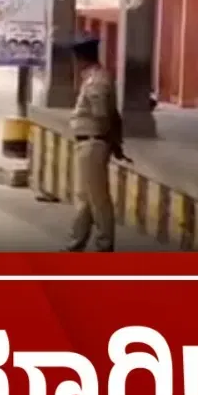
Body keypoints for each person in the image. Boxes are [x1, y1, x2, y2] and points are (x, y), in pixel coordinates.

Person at [64, 36, 125, 252]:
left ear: (81, 59)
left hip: (93, 143)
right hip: (88, 143)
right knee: (84, 198)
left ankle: (104, 244)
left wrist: (111, 141)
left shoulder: (96, 81)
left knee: (98, 199)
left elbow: (103, 115)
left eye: (76, 58)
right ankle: (75, 243)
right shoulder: (93, 78)